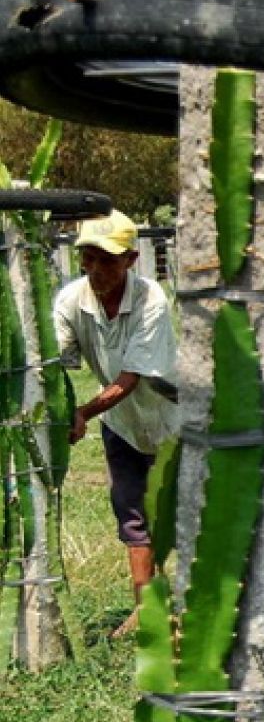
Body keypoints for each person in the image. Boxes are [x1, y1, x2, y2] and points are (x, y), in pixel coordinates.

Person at [53, 209, 179, 638]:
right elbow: (52, 364)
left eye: (107, 259)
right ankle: (147, 609)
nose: (96, 269)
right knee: (133, 514)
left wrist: (83, 413)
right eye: (88, 257)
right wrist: (56, 408)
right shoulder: (72, 302)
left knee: (186, 509)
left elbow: (130, 377)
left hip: (172, 418)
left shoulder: (151, 299)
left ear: (130, 260)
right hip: (123, 423)